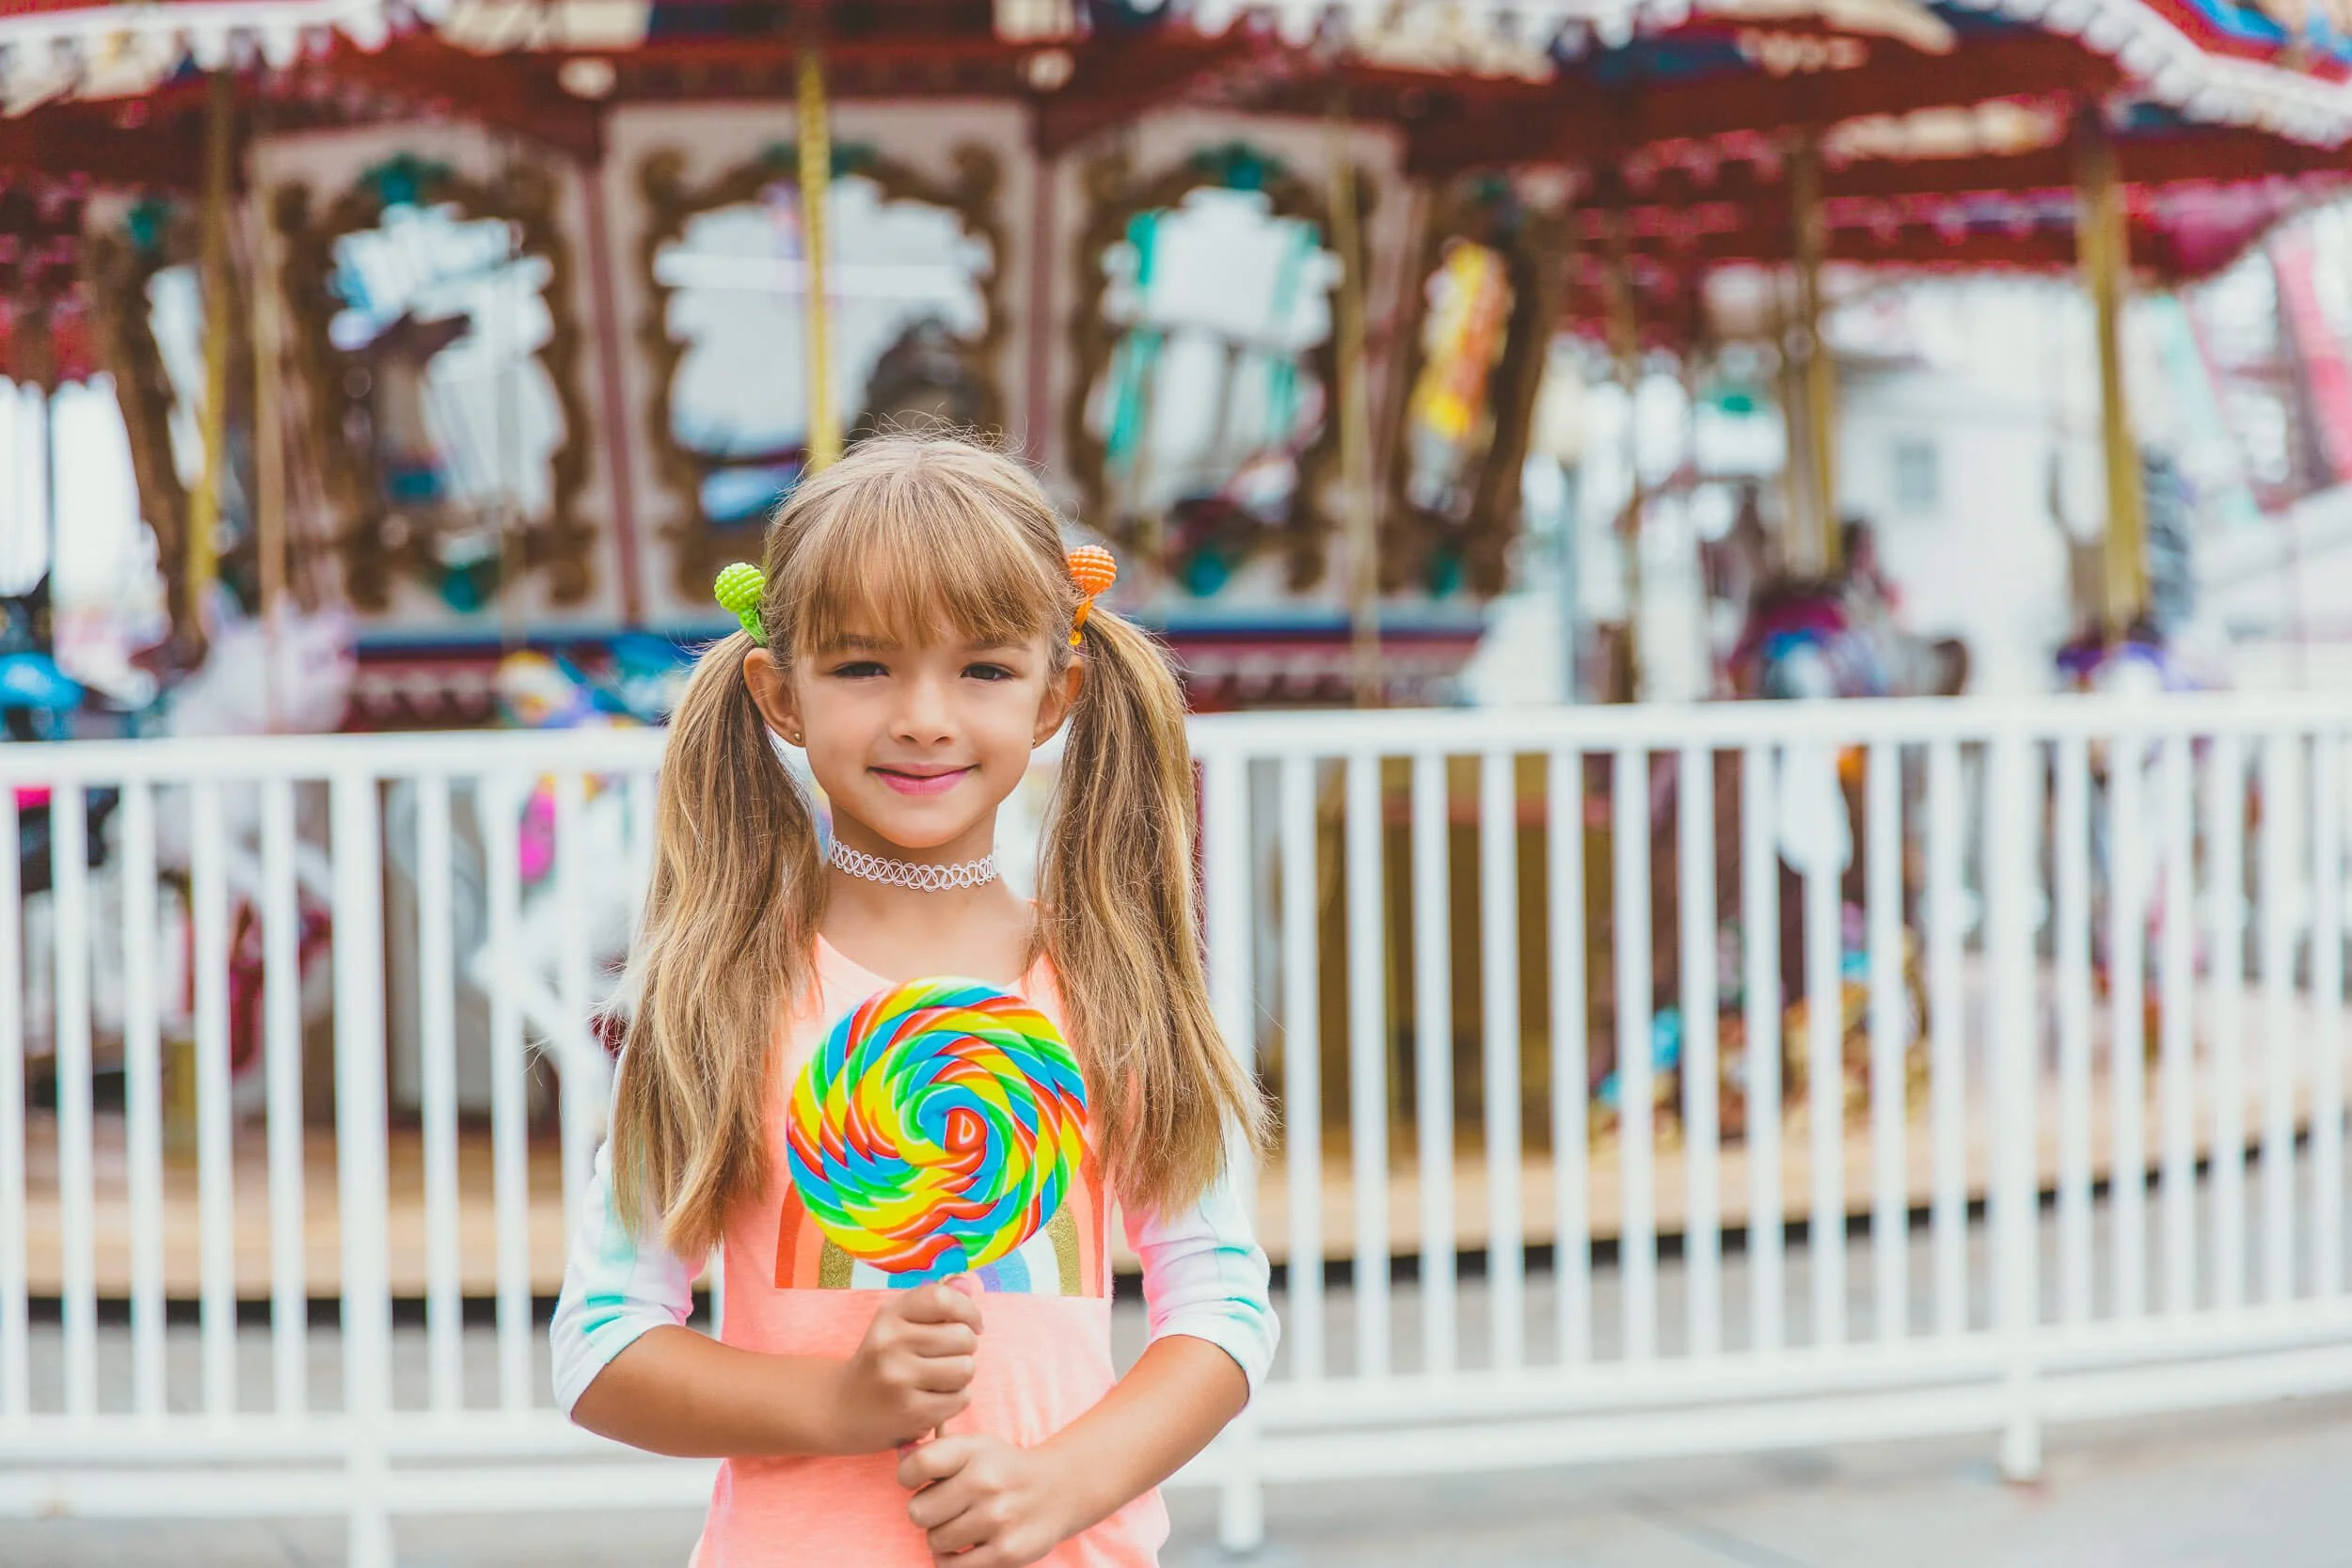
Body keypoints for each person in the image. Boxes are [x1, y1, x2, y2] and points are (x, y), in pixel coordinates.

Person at [550, 435, 1277, 1568]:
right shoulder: (721, 1001)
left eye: (983, 668)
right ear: (778, 694)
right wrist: (837, 1404)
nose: (925, 715)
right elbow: (601, 1346)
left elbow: (1223, 1304)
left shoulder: (1115, 988)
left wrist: (1062, 1483)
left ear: (1056, 695)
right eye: (864, 667)